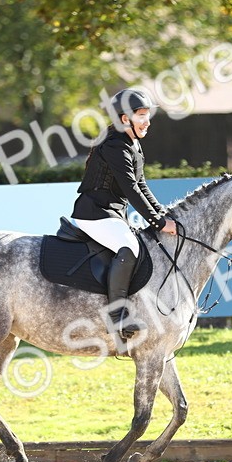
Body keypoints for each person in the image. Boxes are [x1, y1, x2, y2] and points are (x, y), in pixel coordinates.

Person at [73, 87, 178, 343]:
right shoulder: (115, 146)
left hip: (112, 213)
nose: (147, 121)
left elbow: (142, 185)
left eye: (147, 115)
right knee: (129, 246)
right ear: (124, 119)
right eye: (141, 115)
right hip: (94, 213)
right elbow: (130, 190)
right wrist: (158, 222)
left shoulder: (133, 145)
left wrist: (161, 213)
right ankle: (117, 316)